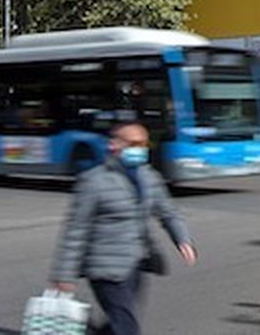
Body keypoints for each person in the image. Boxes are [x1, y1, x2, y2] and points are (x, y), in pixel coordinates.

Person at [52, 122, 196, 335]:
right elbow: (75, 230)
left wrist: (182, 238)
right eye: (134, 144)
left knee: (120, 319)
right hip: (104, 268)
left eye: (144, 144)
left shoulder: (149, 178)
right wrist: (64, 275)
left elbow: (168, 212)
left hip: (136, 264)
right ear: (114, 145)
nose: (140, 149)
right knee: (127, 326)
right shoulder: (94, 181)